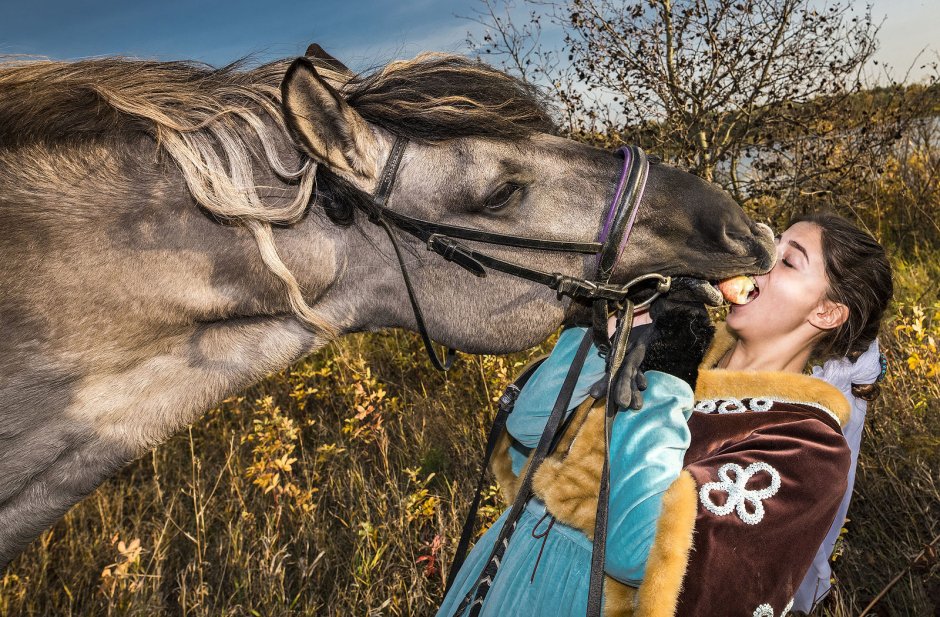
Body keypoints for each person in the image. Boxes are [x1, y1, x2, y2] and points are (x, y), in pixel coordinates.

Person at [437, 212, 893, 617]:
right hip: (504, 566)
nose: (761, 263)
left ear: (827, 312)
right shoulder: (681, 341)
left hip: (580, 599)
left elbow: (637, 553)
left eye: (789, 262)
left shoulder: (807, 446)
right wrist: (617, 331)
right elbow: (524, 435)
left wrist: (667, 371)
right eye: (768, 248)